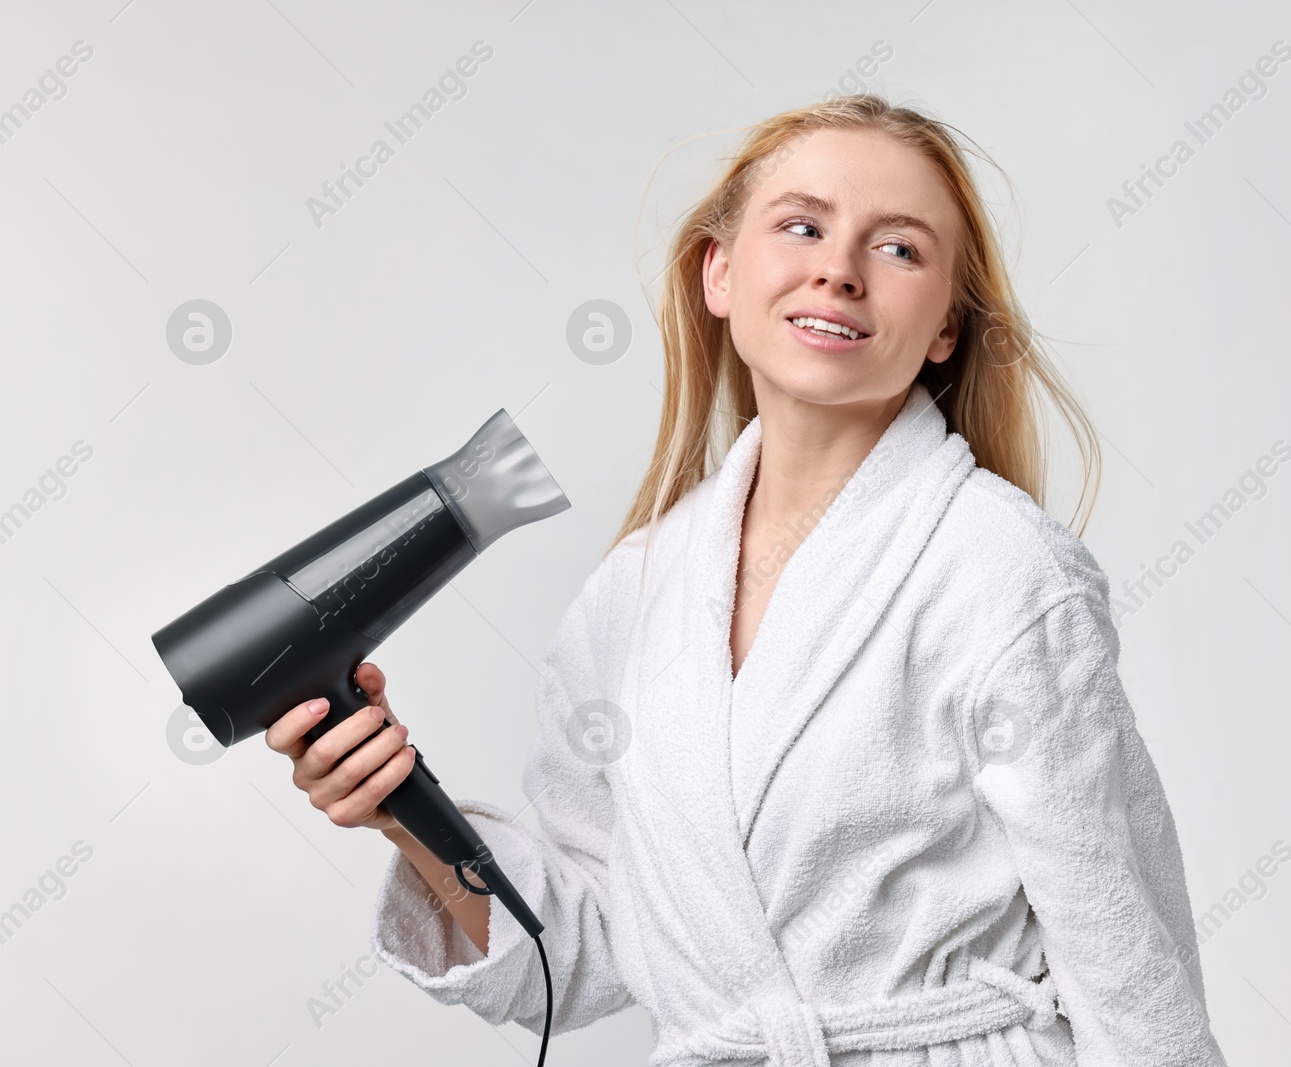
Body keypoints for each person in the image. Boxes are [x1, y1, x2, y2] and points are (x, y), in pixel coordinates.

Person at [266, 94, 1230, 1067]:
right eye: (801, 226)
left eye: (898, 249)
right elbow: (579, 952)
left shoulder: (999, 568)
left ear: (946, 326)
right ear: (718, 273)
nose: (838, 269)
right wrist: (404, 809)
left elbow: (1122, 948)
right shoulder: (631, 597)